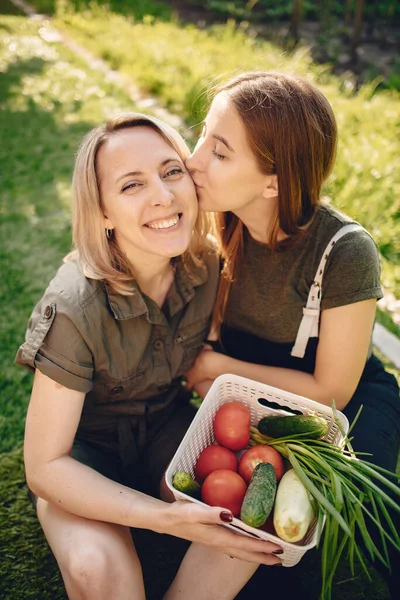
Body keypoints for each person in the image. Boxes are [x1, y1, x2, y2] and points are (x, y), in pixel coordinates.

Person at [15, 112, 283, 600]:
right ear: (102, 213)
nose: (163, 195)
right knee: (97, 570)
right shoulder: (74, 306)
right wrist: (165, 519)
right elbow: (46, 465)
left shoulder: (207, 264)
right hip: (82, 459)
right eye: (132, 184)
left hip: (166, 432)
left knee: (243, 528)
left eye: (171, 171)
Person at [185, 71, 400, 597]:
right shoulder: (219, 219)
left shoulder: (345, 250)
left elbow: (332, 392)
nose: (193, 161)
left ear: (274, 180)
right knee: (238, 529)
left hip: (338, 407)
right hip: (252, 403)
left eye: (220, 151)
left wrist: (217, 369)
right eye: (202, 137)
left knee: (346, 537)